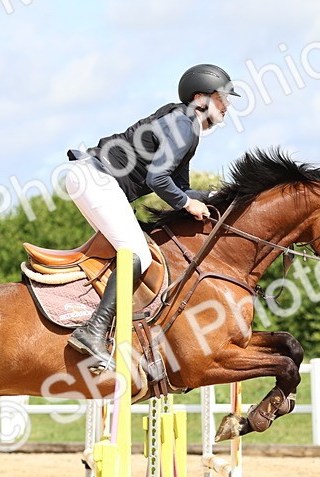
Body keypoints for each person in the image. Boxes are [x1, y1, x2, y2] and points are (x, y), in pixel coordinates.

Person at [62, 63, 239, 368]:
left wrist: (215, 198)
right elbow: (159, 180)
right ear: (200, 97)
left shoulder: (184, 125)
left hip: (92, 178)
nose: (228, 105)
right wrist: (186, 203)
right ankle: (93, 331)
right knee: (138, 256)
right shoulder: (184, 125)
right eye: (223, 97)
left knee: (127, 251)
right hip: (97, 178)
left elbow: (179, 187)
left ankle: (102, 325)